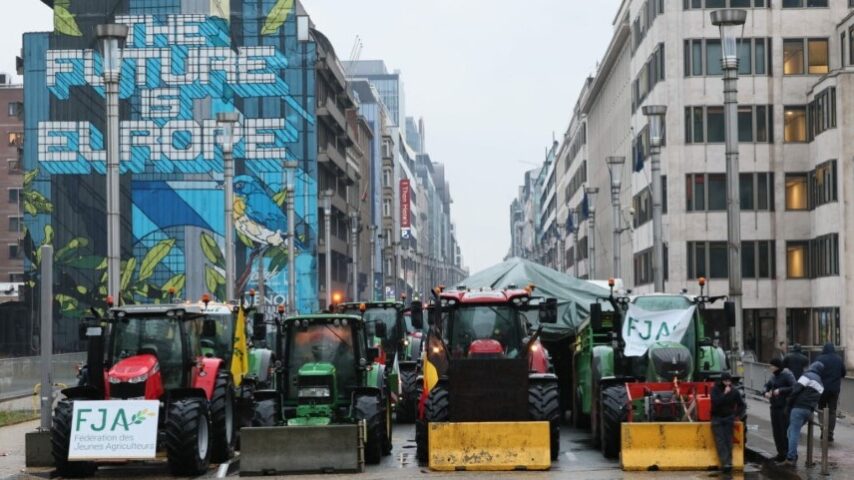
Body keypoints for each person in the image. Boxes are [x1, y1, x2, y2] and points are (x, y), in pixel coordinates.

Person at [780, 361, 824, 467]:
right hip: (809, 411)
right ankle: (793, 454)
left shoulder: (807, 376)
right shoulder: (821, 384)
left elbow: (796, 389)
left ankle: (791, 458)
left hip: (799, 408)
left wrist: (788, 404)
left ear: (812, 367)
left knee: (793, 432)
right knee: (790, 431)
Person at [711, 372, 746, 474]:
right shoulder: (715, 390)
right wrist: (724, 394)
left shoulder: (734, 391)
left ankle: (729, 462)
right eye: (725, 381)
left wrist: (736, 415)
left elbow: (742, 405)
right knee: (720, 441)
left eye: (729, 381)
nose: (727, 383)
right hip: (717, 418)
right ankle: (725, 463)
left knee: (728, 440)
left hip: (728, 418)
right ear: (721, 381)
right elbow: (716, 402)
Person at [763, 358, 796, 461]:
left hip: (784, 407)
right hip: (774, 406)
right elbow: (766, 385)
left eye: (771, 365)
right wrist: (765, 392)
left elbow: (794, 387)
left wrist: (780, 390)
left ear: (777, 366)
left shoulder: (787, 375)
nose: (770, 367)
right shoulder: (773, 376)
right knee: (776, 432)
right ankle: (780, 453)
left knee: (784, 431)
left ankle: (788, 453)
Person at [815, 342, 845, 442]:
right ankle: (830, 433)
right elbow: (843, 372)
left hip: (821, 389)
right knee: (832, 411)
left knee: (821, 409)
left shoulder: (820, 359)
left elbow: (815, 371)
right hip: (834, 389)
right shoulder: (838, 359)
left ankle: (823, 431)